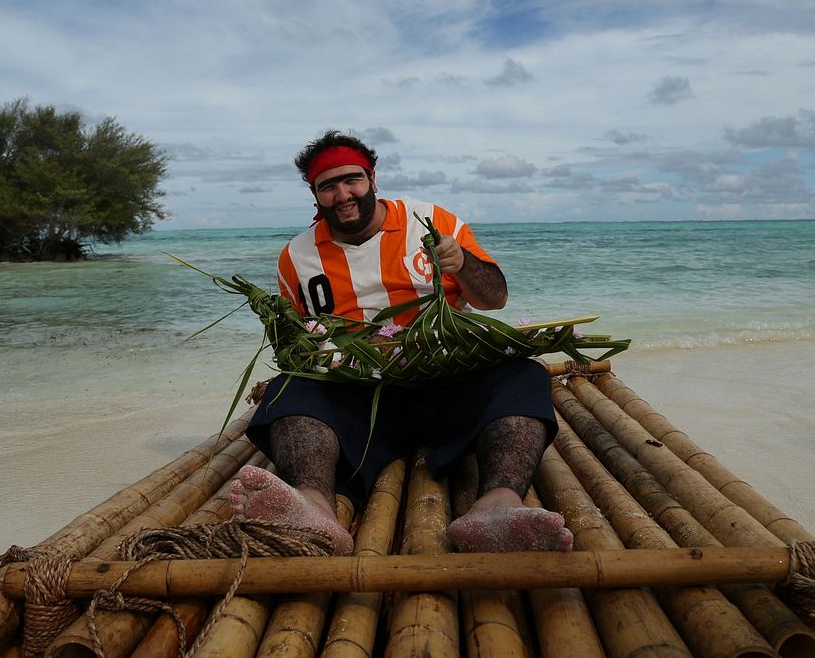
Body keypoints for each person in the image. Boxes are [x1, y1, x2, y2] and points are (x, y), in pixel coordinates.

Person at [229, 130, 573, 556]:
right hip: (361, 396)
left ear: (373, 179)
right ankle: (313, 507)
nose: (342, 194)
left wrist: (462, 263)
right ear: (314, 194)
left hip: (448, 382)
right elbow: (299, 342)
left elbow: (495, 299)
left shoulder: (430, 221)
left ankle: (497, 507)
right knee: (288, 390)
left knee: (524, 375)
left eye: (352, 180)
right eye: (328, 185)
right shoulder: (297, 257)